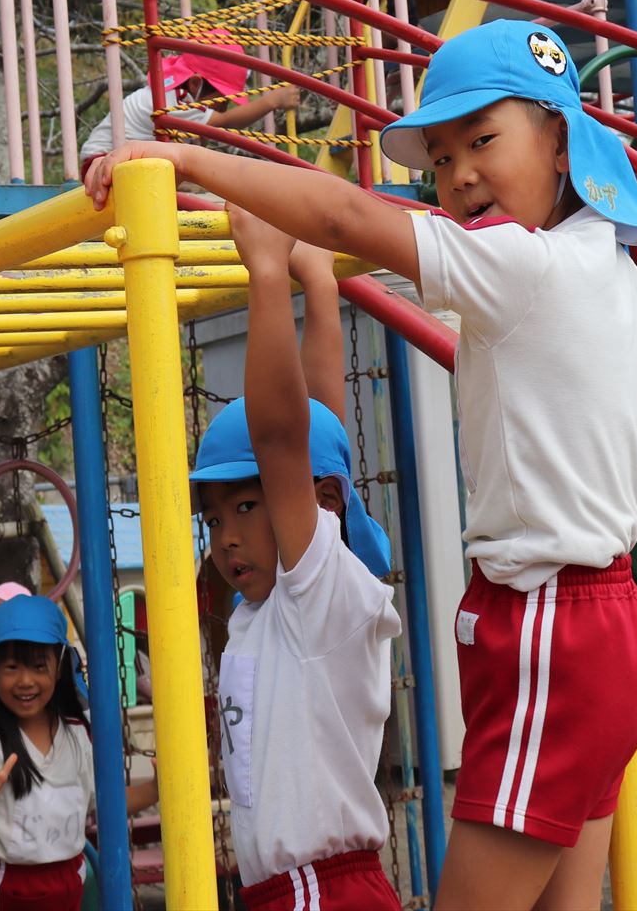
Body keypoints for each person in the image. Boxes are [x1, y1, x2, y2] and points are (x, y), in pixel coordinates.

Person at [84, 18, 637, 907]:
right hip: (603, 618)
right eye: (442, 159)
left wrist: (183, 159)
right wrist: (596, 496)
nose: (459, 177)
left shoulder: (521, 262)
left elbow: (345, 215)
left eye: (482, 141)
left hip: (548, 625)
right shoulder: (612, 270)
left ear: (561, 142)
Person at [189, 213, 400, 907]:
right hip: (289, 889)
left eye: (248, 506)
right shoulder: (284, 602)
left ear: (321, 502)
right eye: (214, 519)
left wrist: (269, 273)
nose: (226, 537)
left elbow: (288, 435)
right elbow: (320, 423)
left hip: (320, 890)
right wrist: (318, 281)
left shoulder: (316, 592)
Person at [0, 592, 158, 911]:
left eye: (39, 666)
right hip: (9, 887)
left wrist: (156, 789)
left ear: (60, 667)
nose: (25, 681)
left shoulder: (79, 736)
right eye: (11, 667)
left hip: (68, 880)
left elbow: (106, 804)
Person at [79, 33, 300, 179]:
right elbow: (224, 122)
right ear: (195, 83)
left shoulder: (173, 90)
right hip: (101, 163)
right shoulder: (176, 103)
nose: (223, 107)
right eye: (222, 99)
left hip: (111, 160)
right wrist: (272, 101)